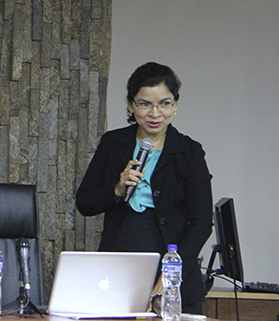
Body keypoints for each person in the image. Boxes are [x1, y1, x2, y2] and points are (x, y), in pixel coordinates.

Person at [75, 62, 212, 314]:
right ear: (130, 105)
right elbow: (84, 203)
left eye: (165, 103)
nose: (155, 113)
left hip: (174, 269)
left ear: (176, 105)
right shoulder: (112, 143)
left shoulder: (189, 152)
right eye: (144, 103)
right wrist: (116, 189)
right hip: (118, 268)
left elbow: (202, 222)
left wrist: (171, 274)